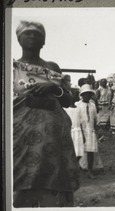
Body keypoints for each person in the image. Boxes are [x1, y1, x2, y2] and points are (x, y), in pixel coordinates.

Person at [13, 21, 79, 207]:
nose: (33, 37)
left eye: (38, 34)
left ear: (44, 41)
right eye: (28, 33)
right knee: (22, 174)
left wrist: (52, 86)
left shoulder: (52, 67)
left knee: (53, 175)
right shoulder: (12, 67)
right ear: (19, 38)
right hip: (20, 133)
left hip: (52, 134)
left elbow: (67, 100)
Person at [76, 84, 99, 179]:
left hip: (90, 130)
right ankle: (75, 169)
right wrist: (81, 133)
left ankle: (89, 170)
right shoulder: (78, 105)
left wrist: (96, 131)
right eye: (85, 94)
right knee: (78, 151)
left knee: (90, 151)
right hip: (81, 130)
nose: (88, 96)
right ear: (82, 95)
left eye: (89, 94)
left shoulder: (92, 105)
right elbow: (78, 120)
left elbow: (94, 118)